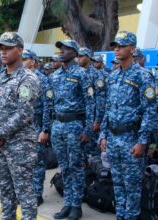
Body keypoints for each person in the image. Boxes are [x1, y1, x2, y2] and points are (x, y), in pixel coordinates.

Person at [99, 31, 156, 220]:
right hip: (114, 139)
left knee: (132, 187)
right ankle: (120, 216)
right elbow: (108, 108)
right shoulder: (113, 76)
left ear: (132, 49)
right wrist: (103, 135)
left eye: (121, 46)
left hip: (131, 139)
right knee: (118, 184)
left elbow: (150, 111)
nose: (116, 49)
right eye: (115, 45)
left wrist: (142, 142)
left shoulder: (143, 76)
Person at [0, 32, 40, 220]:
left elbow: (23, 114)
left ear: (20, 50)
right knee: (5, 191)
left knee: (24, 194)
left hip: (20, 146)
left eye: (8, 48)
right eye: (2, 48)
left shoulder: (28, 79)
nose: (3, 52)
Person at [43, 39, 95, 220]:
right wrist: (47, 128)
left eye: (66, 49)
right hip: (58, 126)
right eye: (60, 49)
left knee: (76, 166)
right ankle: (68, 203)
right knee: (64, 166)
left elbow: (90, 104)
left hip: (74, 126)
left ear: (74, 53)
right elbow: (49, 104)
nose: (62, 52)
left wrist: (88, 130)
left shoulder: (82, 74)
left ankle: (76, 206)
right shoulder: (54, 76)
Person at [21, 49, 50, 206]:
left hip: (37, 124)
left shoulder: (42, 79)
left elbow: (47, 106)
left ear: (32, 61)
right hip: (23, 126)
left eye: (25, 59)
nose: (22, 61)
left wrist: (45, 129)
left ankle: (37, 193)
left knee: (38, 162)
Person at [78, 47, 106, 158]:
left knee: (91, 149)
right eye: (78, 56)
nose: (78, 59)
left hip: (91, 117)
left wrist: (98, 120)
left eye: (81, 56)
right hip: (78, 118)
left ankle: (92, 172)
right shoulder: (76, 73)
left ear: (89, 57)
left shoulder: (96, 75)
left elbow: (100, 99)